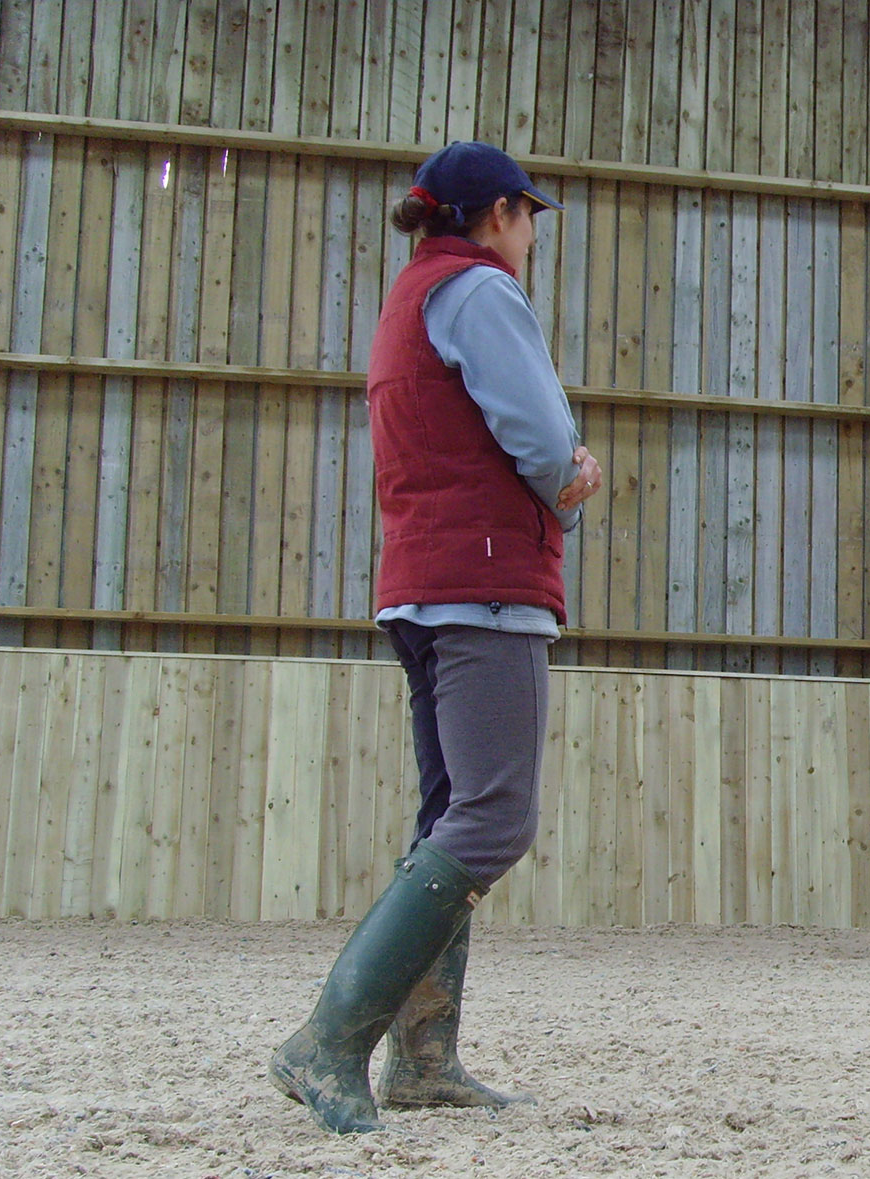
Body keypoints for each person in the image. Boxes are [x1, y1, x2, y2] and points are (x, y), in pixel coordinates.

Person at [270, 141, 601, 1134]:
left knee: (450, 813)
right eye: (530, 214)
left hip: (421, 586)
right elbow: (543, 442)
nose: (534, 234)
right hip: (486, 584)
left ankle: (424, 1058)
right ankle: (327, 1042)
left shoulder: (410, 295)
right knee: (494, 819)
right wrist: (571, 477)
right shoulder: (481, 291)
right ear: (499, 213)